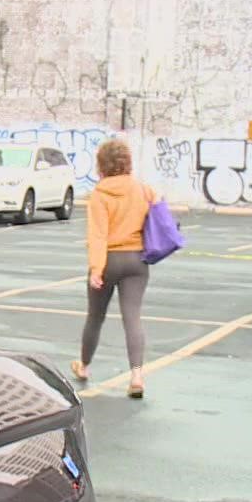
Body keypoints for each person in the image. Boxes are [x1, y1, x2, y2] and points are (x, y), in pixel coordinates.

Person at [71, 138, 154, 398]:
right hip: (137, 260)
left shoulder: (100, 195)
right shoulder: (142, 189)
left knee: (95, 317)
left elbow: (98, 235)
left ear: (101, 165)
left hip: (109, 260)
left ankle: (83, 366)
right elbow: (158, 207)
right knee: (133, 317)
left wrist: (96, 269)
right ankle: (137, 376)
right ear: (126, 162)